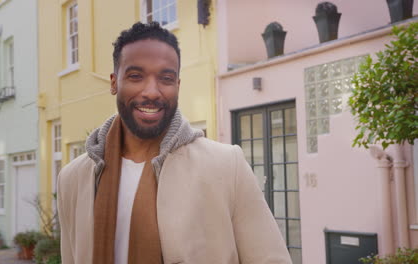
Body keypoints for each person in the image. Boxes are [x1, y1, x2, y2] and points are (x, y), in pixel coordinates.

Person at [57, 22, 292, 264]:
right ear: (114, 82)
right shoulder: (73, 180)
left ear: (177, 85)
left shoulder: (226, 166)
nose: (151, 91)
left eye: (166, 78)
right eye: (136, 76)